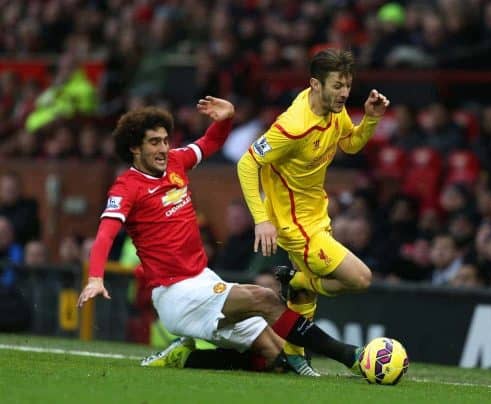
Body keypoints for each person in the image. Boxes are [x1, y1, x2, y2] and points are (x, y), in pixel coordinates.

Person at [77, 97, 362, 377]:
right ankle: (349, 356)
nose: (164, 148)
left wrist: (226, 120)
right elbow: (105, 234)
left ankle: (187, 358)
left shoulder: (176, 161)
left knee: (275, 358)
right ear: (134, 148)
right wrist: (95, 278)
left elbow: (209, 143)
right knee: (264, 298)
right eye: (154, 142)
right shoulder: (126, 187)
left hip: (204, 279)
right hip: (176, 293)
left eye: (165, 140)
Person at [236, 48, 389, 365]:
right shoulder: (293, 126)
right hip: (295, 225)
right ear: (315, 85)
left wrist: (370, 118)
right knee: (360, 278)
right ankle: (295, 279)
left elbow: (349, 143)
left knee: (304, 298)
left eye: (347, 85)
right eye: (337, 85)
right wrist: (262, 220)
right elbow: (247, 164)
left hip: (316, 212)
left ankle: (294, 357)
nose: (344, 93)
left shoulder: (334, 109)